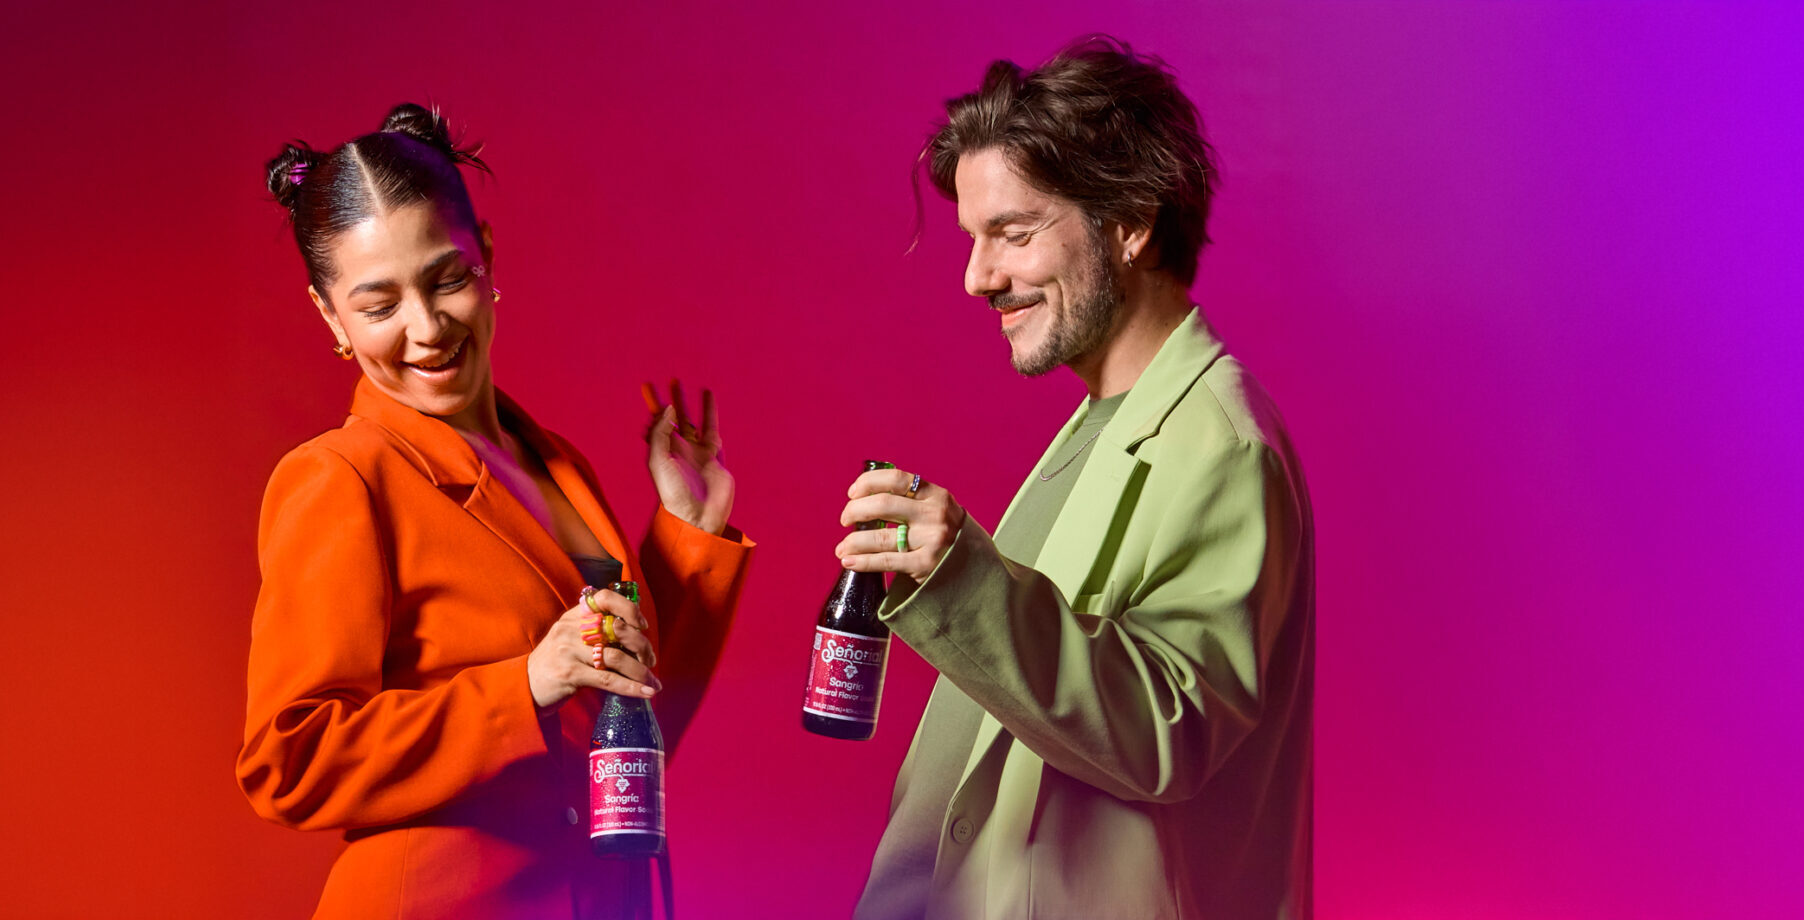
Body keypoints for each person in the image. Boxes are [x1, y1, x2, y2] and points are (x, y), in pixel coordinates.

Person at [837, 37, 1315, 919]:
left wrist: (963, 579)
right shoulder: (1103, 423)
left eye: (1011, 235)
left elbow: (1170, 730)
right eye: (973, 241)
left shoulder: (1221, 444)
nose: (977, 277)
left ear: (1130, 224)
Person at [237, 103, 752, 920]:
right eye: (379, 305)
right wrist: (523, 687)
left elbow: (628, 734)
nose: (428, 327)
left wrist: (688, 531)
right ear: (331, 316)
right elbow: (291, 761)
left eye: (447, 279)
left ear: (488, 260)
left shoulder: (551, 460)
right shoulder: (338, 477)